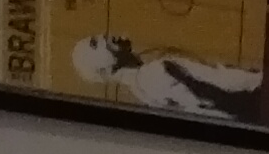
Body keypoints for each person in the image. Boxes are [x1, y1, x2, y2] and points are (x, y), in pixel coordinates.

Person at [71, 30, 258, 114]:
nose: (104, 36)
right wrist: (262, 80)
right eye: (95, 44)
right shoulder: (154, 74)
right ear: (105, 70)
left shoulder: (143, 93)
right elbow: (222, 83)